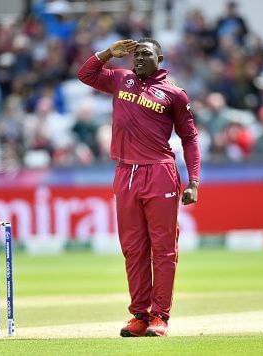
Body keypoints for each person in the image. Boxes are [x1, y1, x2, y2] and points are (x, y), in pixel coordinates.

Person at [78, 38, 200, 337]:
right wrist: (108, 53)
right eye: (136, 54)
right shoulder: (121, 80)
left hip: (159, 172)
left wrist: (194, 181)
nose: (139, 59)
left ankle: (160, 317)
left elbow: (190, 138)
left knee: (163, 250)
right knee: (133, 249)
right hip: (125, 173)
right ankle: (139, 316)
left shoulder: (174, 94)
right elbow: (86, 75)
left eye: (146, 54)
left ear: (159, 59)